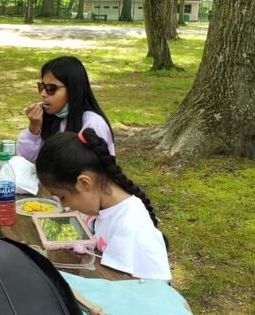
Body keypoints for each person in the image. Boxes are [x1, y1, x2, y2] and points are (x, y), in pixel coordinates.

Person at [36, 128, 171, 281]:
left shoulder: (129, 225)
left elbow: (122, 285)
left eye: (63, 197)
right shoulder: (98, 203)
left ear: (84, 183)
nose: (65, 206)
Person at [17, 56, 114, 163]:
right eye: (42, 87)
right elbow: (25, 159)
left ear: (73, 89)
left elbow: (90, 169)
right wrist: (34, 128)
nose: (43, 93)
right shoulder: (51, 118)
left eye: (51, 88)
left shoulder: (93, 124)